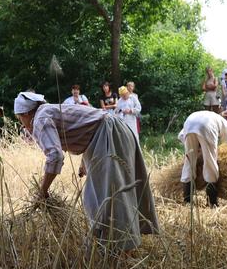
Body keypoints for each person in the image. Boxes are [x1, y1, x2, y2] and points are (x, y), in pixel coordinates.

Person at [14, 91, 159, 251]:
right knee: (105, 195)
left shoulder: (41, 118)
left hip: (109, 134)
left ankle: (120, 250)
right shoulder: (48, 110)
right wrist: (84, 160)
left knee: (108, 196)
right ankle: (113, 247)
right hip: (108, 133)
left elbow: (55, 156)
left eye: (20, 118)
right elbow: (85, 126)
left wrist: (43, 191)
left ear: (27, 113)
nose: (22, 123)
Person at [179, 110, 227, 207]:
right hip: (206, 126)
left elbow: (181, 136)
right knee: (210, 163)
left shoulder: (210, 116)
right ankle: (212, 202)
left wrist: (197, 149)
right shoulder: (225, 124)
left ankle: (187, 200)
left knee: (189, 162)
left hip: (189, 122)